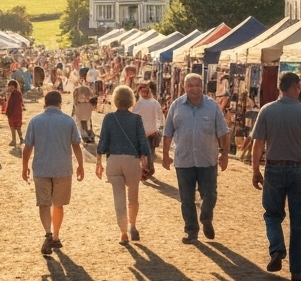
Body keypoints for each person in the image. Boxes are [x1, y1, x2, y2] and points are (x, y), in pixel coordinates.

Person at [250, 72, 301, 281]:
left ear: (280, 88)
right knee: (299, 221)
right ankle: (297, 270)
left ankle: (277, 249)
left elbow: (258, 144)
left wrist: (256, 169)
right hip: (300, 170)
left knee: (272, 214)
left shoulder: (267, 110)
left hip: (274, 168)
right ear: (298, 87)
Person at [162, 73, 230, 243]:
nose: (194, 89)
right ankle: (191, 230)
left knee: (210, 194)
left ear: (203, 86)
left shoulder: (212, 106)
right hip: (183, 160)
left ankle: (206, 217)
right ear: (184, 87)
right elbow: (167, 132)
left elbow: (224, 132)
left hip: (207, 159)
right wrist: (164, 155)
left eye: (198, 85)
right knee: (186, 198)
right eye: (190, 85)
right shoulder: (176, 106)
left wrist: (225, 155)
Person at [21, 90, 86, 255]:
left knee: (44, 204)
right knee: (58, 204)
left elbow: (27, 147)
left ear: (45, 103)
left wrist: (24, 166)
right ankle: (56, 236)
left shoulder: (35, 121)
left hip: (41, 168)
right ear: (60, 104)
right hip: (62, 169)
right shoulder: (68, 121)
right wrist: (80, 165)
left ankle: (48, 233)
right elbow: (76, 145)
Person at [97, 85, 152, 244]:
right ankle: (133, 226)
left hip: (113, 160)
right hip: (132, 160)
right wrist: (147, 158)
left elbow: (103, 141)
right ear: (131, 101)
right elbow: (143, 141)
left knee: (118, 198)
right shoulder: (136, 119)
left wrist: (99, 161)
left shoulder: (108, 118)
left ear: (115, 100)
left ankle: (123, 232)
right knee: (133, 197)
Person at [132, 82, 164, 180]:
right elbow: (160, 118)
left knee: (142, 153)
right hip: (151, 132)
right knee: (149, 152)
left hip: (143, 132)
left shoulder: (138, 104)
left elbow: (133, 116)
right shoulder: (154, 103)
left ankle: (146, 169)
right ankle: (149, 168)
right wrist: (158, 129)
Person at [2, 78, 25, 146]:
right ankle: (21, 139)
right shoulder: (19, 93)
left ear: (12, 86)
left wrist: (7, 112)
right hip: (18, 112)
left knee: (12, 127)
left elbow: (9, 103)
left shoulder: (13, 93)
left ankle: (14, 140)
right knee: (18, 127)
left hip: (12, 113)